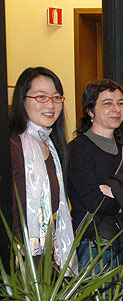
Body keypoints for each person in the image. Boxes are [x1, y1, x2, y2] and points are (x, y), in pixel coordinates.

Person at [8, 67, 77, 275]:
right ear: (22, 100)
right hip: (19, 262)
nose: (50, 105)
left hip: (50, 260)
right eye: (41, 97)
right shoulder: (13, 148)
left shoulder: (53, 148)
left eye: (56, 98)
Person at [68, 79, 123, 271]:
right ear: (90, 111)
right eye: (107, 103)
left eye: (121, 103)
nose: (116, 108)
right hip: (93, 246)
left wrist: (115, 195)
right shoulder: (78, 149)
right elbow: (93, 201)